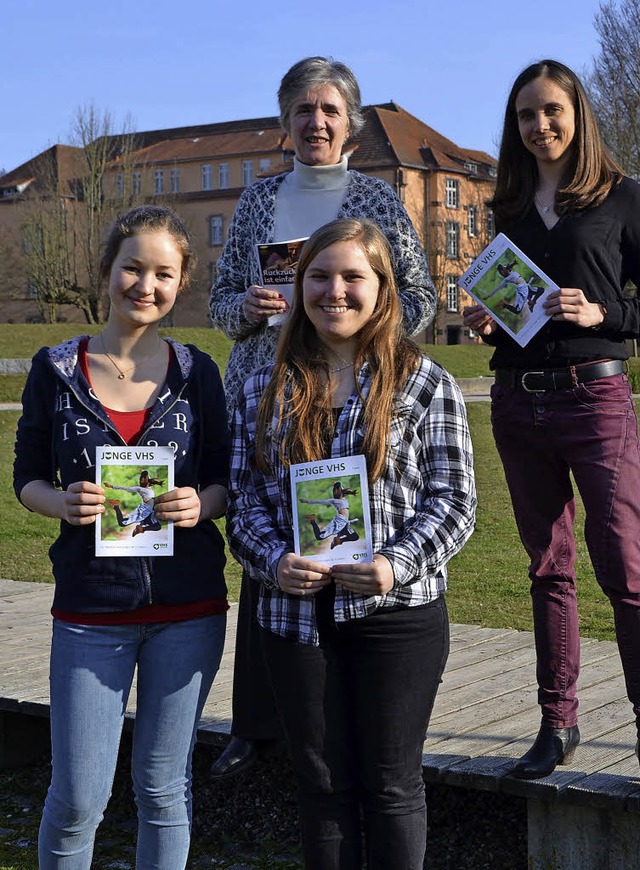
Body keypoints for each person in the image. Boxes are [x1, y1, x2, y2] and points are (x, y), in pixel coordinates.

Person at [209, 55, 436, 778]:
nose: (317, 122)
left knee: (344, 528)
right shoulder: (257, 200)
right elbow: (218, 306)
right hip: (267, 387)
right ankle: (255, 722)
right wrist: (245, 311)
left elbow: (421, 301)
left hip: (352, 386)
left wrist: (367, 334)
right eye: (303, 111)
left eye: (331, 110)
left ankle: (347, 692)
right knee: (267, 542)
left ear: (352, 124)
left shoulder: (378, 198)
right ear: (284, 123)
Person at [226, 218, 476, 869]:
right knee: (323, 790)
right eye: (319, 276)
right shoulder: (264, 387)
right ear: (299, 284)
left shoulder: (425, 382)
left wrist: (395, 565)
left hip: (398, 616)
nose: (334, 291)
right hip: (295, 617)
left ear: (381, 288)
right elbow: (245, 502)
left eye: (351, 277)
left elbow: (454, 504)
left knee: (391, 787)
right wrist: (275, 562)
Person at [13, 205, 230, 868]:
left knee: (164, 792)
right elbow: (26, 478)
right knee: (78, 799)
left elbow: (226, 481)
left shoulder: (199, 374)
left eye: (163, 273)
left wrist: (200, 503)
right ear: (107, 270)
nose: (146, 284)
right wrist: (62, 501)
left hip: (187, 611)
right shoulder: (56, 371)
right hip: (89, 612)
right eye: (132, 267)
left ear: (180, 282)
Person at [463, 59, 640, 780]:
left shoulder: (622, 198)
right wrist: (486, 323)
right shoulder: (504, 208)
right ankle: (557, 722)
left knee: (626, 566)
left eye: (551, 111)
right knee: (547, 568)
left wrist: (607, 314)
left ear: (578, 114)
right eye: (526, 116)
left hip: (595, 398)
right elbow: (519, 319)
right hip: (517, 400)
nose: (540, 126)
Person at [301, 481, 360, 549]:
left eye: (336, 491)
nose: (334, 493)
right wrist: (306, 501)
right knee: (319, 537)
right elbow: (320, 501)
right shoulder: (334, 500)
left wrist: (335, 484)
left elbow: (341, 487)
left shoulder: (343, 499)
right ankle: (312, 519)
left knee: (355, 537)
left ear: (340, 492)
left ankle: (338, 541)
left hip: (345, 523)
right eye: (334, 492)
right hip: (339, 523)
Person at [104, 470, 164, 536]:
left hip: (149, 513)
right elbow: (125, 488)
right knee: (122, 523)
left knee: (158, 527)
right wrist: (111, 486)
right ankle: (116, 505)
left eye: (142, 480)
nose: (140, 481)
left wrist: (143, 472)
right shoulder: (139, 488)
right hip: (144, 511)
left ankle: (141, 529)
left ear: (147, 480)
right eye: (140, 480)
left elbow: (147, 477)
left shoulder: (149, 488)